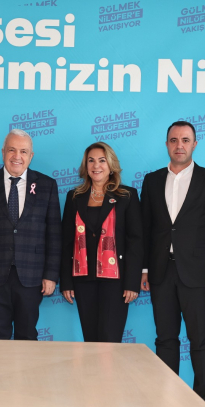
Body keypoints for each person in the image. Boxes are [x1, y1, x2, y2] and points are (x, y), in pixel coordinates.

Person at [140, 120, 205, 404]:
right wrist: (144, 269)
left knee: (200, 339)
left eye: (185, 140)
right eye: (174, 140)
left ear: (195, 144)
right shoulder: (152, 181)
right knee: (165, 339)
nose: (179, 145)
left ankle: (202, 405)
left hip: (198, 274)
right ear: (167, 144)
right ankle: (168, 402)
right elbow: (145, 229)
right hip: (160, 272)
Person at [0, 129, 61, 340]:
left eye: (23, 151)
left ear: (31, 156)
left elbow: (54, 235)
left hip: (32, 277)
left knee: (27, 336)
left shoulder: (47, 186)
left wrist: (50, 275)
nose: (17, 156)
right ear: (3, 152)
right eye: (12, 150)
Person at [60, 142, 143, 342]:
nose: (96, 165)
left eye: (102, 160)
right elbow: (66, 242)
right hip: (83, 279)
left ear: (111, 165)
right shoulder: (74, 197)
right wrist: (66, 282)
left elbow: (136, 241)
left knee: (109, 340)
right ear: (85, 166)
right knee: (91, 341)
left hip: (116, 282)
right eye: (91, 160)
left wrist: (132, 283)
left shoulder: (127, 196)